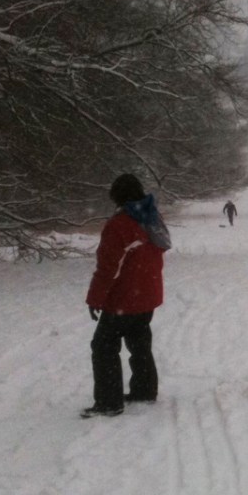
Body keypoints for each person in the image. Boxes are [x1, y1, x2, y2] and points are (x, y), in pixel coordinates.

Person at [83, 174, 171, 418]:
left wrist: (95, 299)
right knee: (139, 342)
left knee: (103, 347)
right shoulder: (152, 217)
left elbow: (108, 268)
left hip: (124, 299)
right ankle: (144, 390)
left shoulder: (119, 224)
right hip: (148, 295)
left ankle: (109, 402)